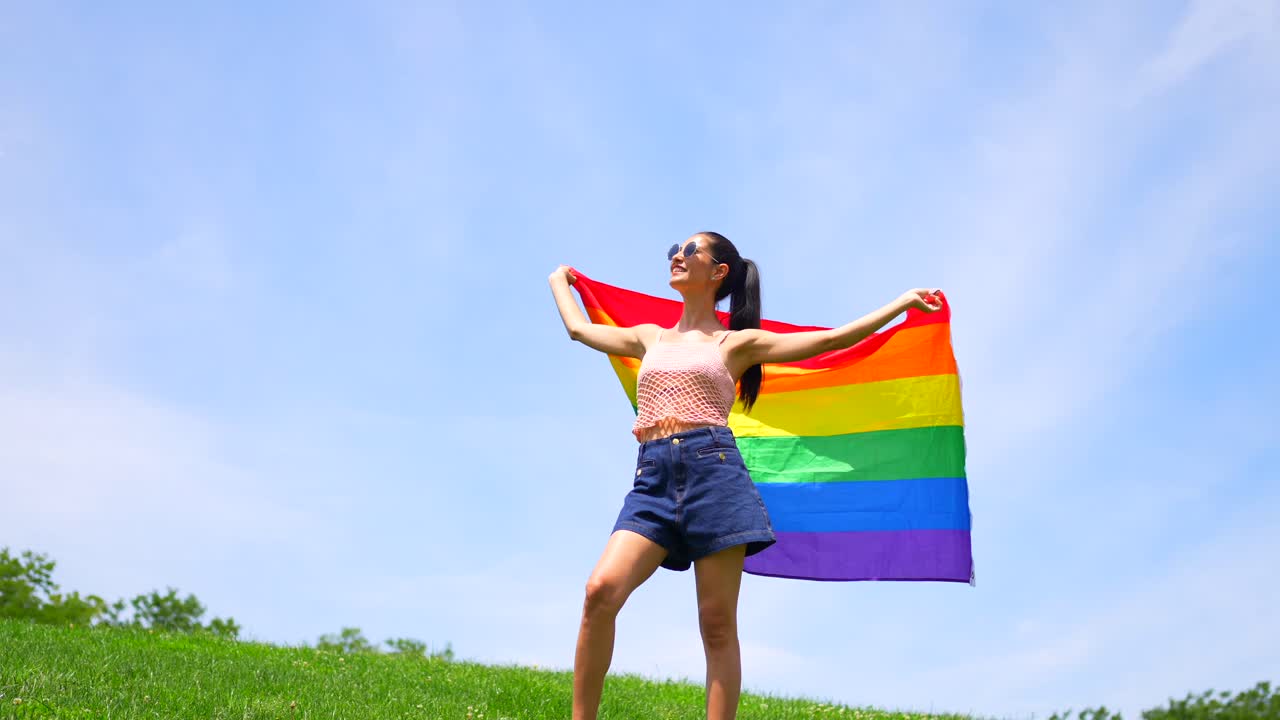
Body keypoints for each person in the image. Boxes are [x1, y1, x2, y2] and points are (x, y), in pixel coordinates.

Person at [548, 231, 943, 720]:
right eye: (674, 247)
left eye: (690, 251)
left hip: (714, 475)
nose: (677, 255)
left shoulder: (738, 343)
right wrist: (559, 280)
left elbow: (830, 340)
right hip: (651, 479)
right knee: (599, 592)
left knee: (715, 624)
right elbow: (579, 330)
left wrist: (900, 304)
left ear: (718, 274)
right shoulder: (648, 336)